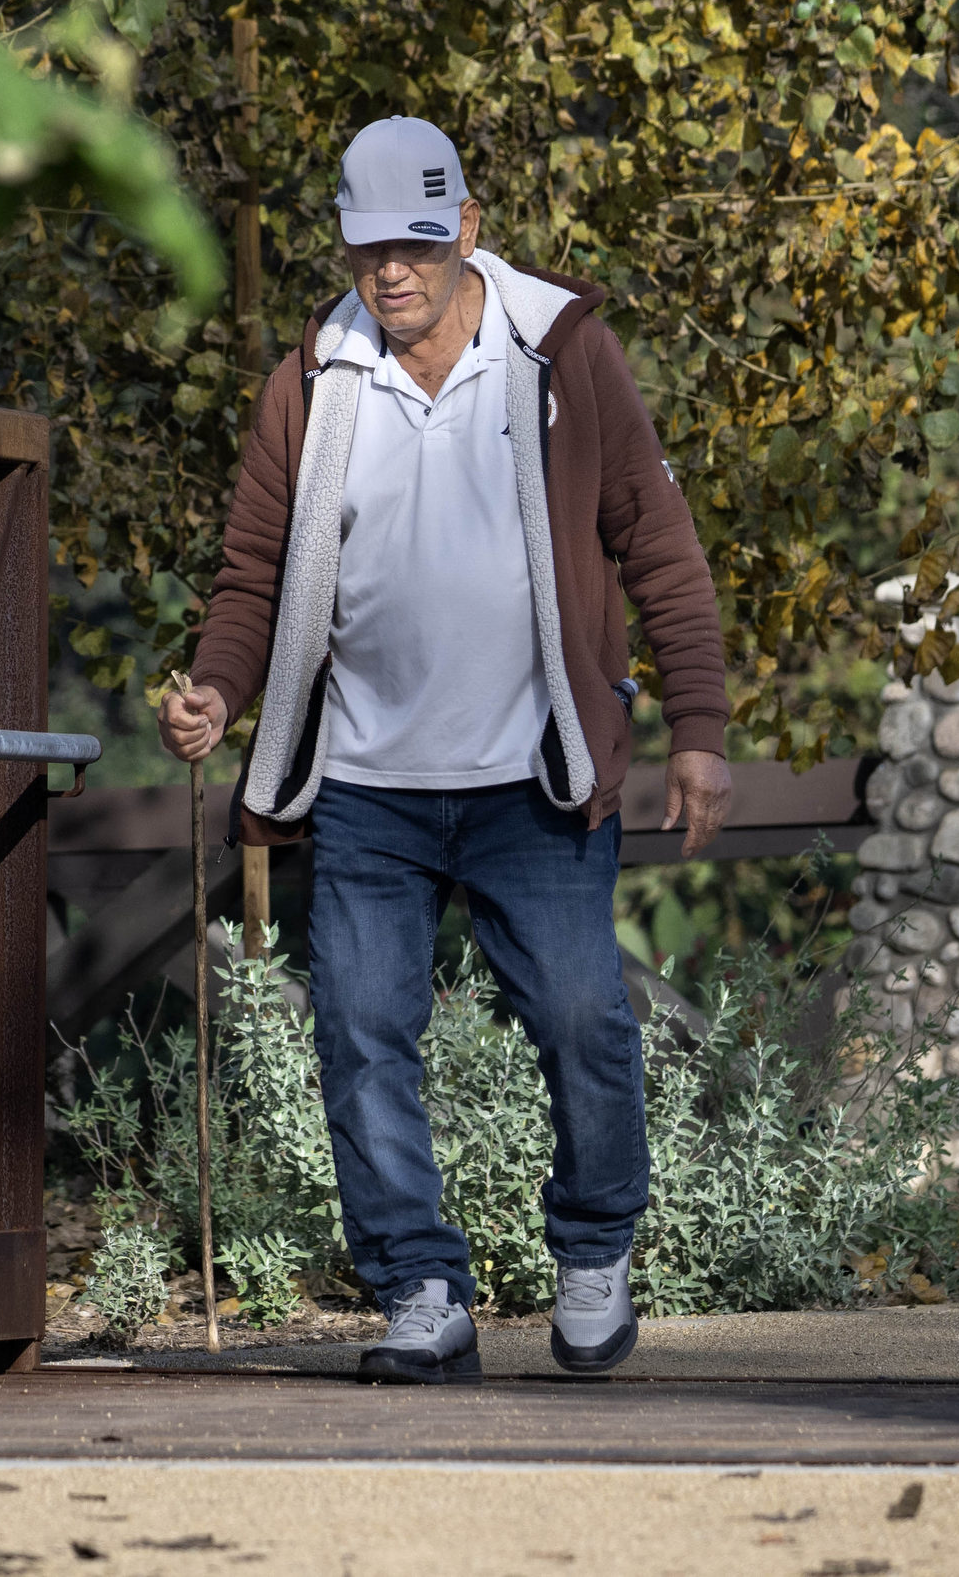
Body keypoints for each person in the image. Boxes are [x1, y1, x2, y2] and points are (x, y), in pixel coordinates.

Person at [157, 115, 734, 1384]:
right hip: (365, 783)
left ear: (467, 229)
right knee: (360, 1033)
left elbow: (658, 545)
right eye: (369, 248)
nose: (392, 271)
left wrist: (698, 728)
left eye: (416, 244)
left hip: (533, 776)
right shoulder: (312, 377)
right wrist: (214, 688)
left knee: (584, 1019)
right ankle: (420, 1289)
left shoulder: (563, 352)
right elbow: (254, 576)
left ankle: (593, 1254)